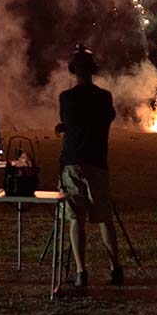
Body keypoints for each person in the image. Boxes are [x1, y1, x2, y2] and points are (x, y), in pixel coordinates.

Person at [56, 44, 123, 287]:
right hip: (98, 162)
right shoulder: (104, 97)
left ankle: (81, 271)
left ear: (73, 71)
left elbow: (69, 120)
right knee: (105, 218)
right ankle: (116, 267)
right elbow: (108, 118)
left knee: (76, 219)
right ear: (94, 70)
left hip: (73, 162)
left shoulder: (66, 97)